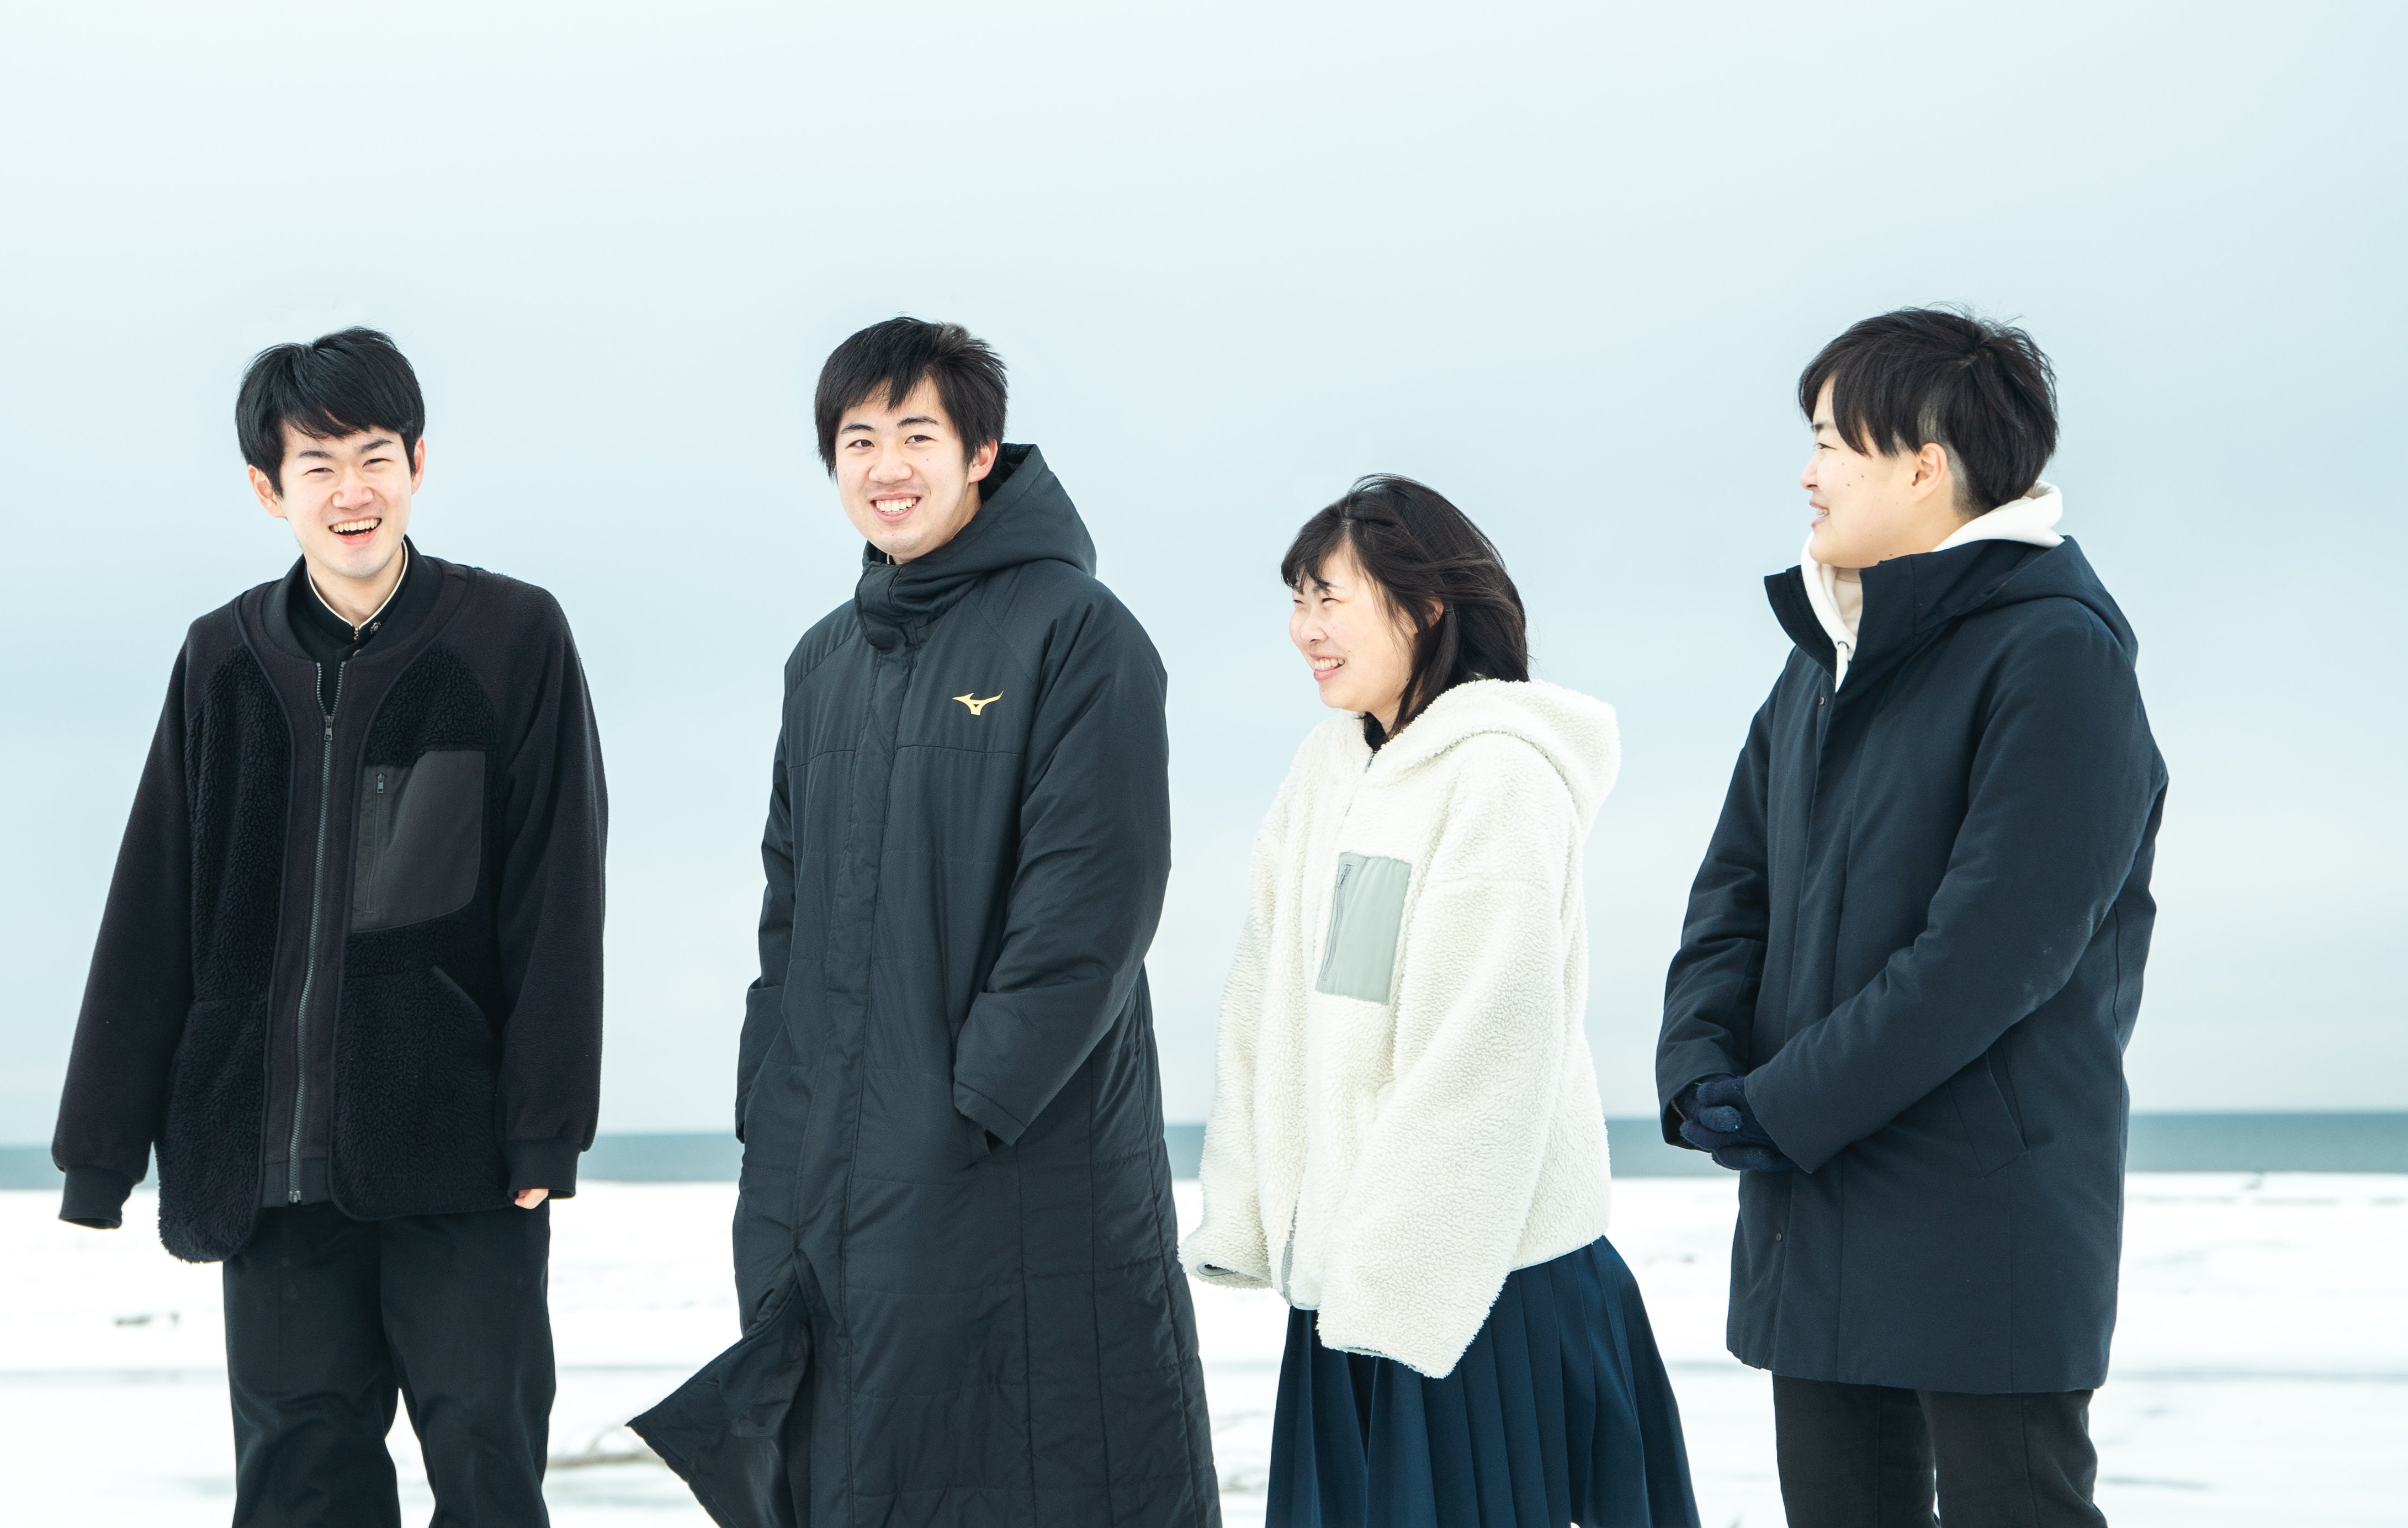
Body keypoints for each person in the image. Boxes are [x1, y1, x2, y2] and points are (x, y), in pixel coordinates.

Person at [636, 317, 1219, 1528]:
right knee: (853, 1467)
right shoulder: (823, 664)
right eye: (858, 440)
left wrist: (973, 1102)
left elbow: (1092, 902)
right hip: (826, 1158)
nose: (886, 466)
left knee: (1041, 1459)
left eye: (916, 435)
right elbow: (787, 915)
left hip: (1009, 1157)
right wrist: (771, 1102)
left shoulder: (1076, 630)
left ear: (980, 455)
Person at [54, 326, 607, 1528]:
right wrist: (101, 1149)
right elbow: (153, 898)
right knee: (300, 1486)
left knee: (487, 1467)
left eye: (373, 458)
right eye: (317, 465)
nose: (350, 492)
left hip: (457, 1150)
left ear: (418, 463)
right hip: (263, 1163)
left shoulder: (512, 636)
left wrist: (544, 1129)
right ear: (270, 489)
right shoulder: (220, 658)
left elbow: (558, 891)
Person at [1658, 307, 2165, 1528]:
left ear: (1926, 466)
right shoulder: (1820, 659)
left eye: (1831, 442)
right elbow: (1732, 890)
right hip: (1815, 1213)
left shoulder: (2057, 656)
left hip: (1981, 1223)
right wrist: (1699, 1065)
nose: (1807, 473)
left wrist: (1782, 1106)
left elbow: (1989, 955)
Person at [1186, 477, 1699, 1528]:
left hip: (1477, 1285)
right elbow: (1265, 1003)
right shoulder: (1327, 769)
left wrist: (1389, 1270)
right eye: (1296, 600)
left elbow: (1481, 1048)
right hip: (1351, 1289)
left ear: (1424, 605)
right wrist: (1253, 1214)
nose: (1304, 629)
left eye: (1330, 597)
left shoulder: (1498, 774)